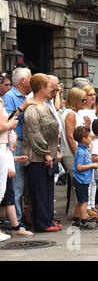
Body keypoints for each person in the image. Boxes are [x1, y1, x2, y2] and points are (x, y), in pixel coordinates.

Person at [22, 74, 62, 232]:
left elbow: (53, 131)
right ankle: (42, 223)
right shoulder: (32, 108)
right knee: (39, 191)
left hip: (50, 155)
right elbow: (34, 134)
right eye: (49, 87)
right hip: (36, 157)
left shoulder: (46, 105)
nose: (52, 90)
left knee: (47, 190)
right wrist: (46, 154)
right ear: (41, 88)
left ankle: (48, 219)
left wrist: (55, 151)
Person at [2, 67, 35, 228]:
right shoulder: (10, 97)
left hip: (23, 143)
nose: (32, 81)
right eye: (30, 77)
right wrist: (23, 107)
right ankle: (13, 222)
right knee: (16, 183)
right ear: (22, 80)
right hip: (14, 143)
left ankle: (18, 218)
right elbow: (6, 120)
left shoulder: (23, 96)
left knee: (22, 183)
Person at [0, 95, 32, 238]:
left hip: (5, 156)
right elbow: (3, 125)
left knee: (8, 194)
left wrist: (14, 159)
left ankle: (15, 226)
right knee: (3, 193)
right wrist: (10, 125)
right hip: (3, 157)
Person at [60, 88, 91, 220]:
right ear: (76, 100)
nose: (85, 102)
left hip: (72, 152)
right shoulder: (71, 114)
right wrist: (77, 153)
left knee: (75, 183)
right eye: (83, 100)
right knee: (79, 183)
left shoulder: (73, 113)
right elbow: (70, 136)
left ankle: (74, 212)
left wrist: (87, 125)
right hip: (71, 152)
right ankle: (81, 214)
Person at [72, 126, 98, 230]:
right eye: (89, 137)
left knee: (80, 201)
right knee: (84, 202)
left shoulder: (84, 150)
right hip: (81, 180)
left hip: (83, 180)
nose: (91, 139)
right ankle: (84, 221)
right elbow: (79, 167)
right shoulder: (81, 152)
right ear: (83, 139)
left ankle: (76, 219)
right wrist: (92, 165)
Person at [78, 85, 98, 217]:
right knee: (88, 179)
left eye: (94, 94)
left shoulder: (93, 111)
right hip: (87, 147)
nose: (93, 97)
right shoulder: (81, 112)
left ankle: (92, 204)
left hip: (95, 145)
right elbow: (83, 132)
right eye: (90, 94)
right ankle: (88, 206)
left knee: (94, 179)